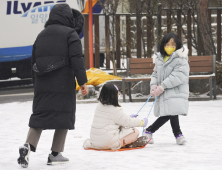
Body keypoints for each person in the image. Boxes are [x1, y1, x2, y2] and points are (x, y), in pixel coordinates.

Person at [17, 4, 88, 168]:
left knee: (40, 115)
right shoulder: (71, 34)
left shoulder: (41, 34)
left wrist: (36, 84)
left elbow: (33, 61)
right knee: (64, 115)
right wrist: (82, 82)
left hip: (43, 83)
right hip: (63, 83)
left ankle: (27, 146)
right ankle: (55, 153)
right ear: (68, 18)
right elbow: (77, 59)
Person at [143, 33, 190, 145]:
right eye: (167, 44)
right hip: (163, 90)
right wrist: (154, 86)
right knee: (171, 112)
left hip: (176, 90)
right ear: (163, 45)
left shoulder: (181, 58)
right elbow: (155, 74)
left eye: (173, 44)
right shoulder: (160, 58)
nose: (170, 47)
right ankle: (178, 134)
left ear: (178, 45)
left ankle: (150, 131)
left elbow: (178, 75)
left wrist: (162, 86)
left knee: (170, 112)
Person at [83, 83, 150, 150]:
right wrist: (142, 122)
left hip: (95, 141)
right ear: (113, 96)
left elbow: (113, 119)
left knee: (122, 128)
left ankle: (123, 142)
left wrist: (128, 116)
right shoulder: (115, 109)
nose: (118, 95)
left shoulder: (99, 106)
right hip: (107, 142)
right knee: (135, 132)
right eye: (117, 93)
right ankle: (126, 143)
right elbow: (128, 122)